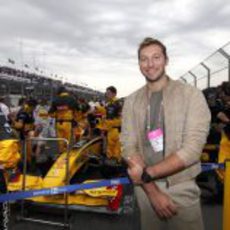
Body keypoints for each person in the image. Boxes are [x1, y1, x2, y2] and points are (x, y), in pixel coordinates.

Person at [120, 37, 211, 230]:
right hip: (145, 191)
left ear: (166, 60)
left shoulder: (191, 95)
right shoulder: (131, 101)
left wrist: (146, 175)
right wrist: (151, 190)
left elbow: (192, 149)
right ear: (139, 64)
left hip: (181, 186)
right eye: (144, 59)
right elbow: (128, 145)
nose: (150, 64)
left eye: (156, 57)